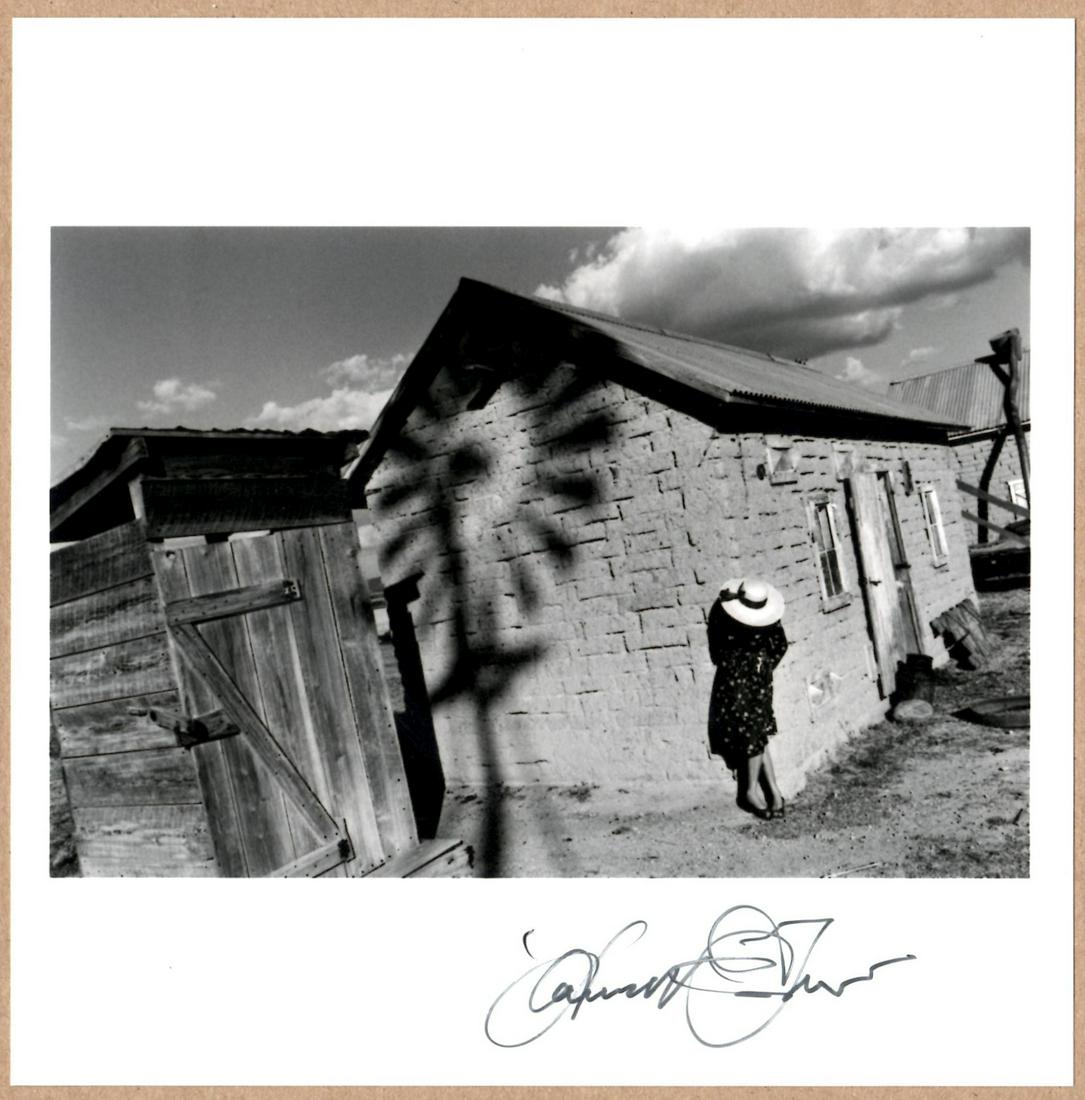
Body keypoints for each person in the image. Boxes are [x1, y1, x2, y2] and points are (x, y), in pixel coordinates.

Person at [707, 577, 789, 820]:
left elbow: (778, 646)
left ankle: (751, 791)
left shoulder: (756, 621)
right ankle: (773, 793)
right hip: (745, 683)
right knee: (757, 732)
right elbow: (779, 647)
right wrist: (762, 666)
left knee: (755, 732)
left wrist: (756, 667)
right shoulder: (740, 616)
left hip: (746, 683)